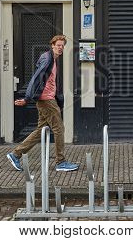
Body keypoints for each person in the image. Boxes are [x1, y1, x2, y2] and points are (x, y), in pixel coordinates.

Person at [7, 35, 79, 172]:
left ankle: (15, 154)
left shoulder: (52, 59)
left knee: (40, 130)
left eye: (62, 46)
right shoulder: (48, 59)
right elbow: (36, 78)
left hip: (46, 99)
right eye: (58, 45)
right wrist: (27, 98)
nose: (60, 48)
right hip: (46, 100)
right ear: (52, 45)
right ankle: (61, 162)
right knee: (59, 129)